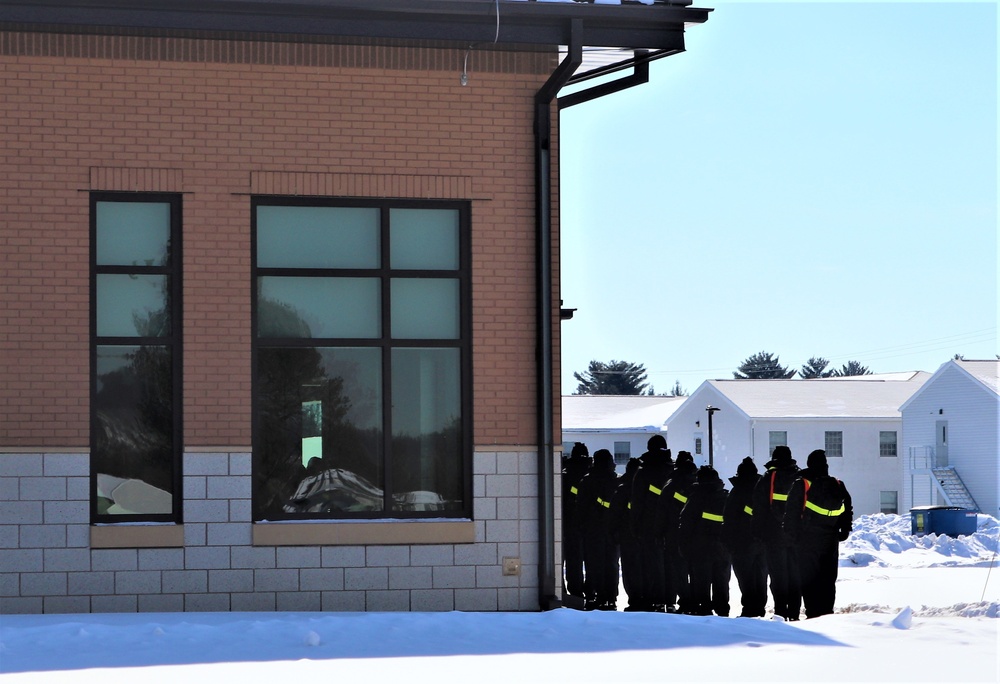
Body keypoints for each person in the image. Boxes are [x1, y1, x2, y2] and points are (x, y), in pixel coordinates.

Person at [784, 449, 853, 618]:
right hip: (830, 538)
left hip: (807, 539)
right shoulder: (837, 484)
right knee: (828, 578)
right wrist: (844, 530)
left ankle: (813, 614)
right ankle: (827, 613)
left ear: (809, 464)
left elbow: (791, 512)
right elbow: (847, 508)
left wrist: (790, 537)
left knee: (809, 578)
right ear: (826, 466)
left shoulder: (802, 484)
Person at [751, 445, 802, 620]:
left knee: (778, 575)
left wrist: (758, 533)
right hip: (796, 536)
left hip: (773, 536)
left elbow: (758, 508)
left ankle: (781, 611)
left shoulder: (768, 478)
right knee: (795, 574)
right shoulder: (800, 477)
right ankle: (795, 612)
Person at [678, 465, 731, 617]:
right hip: (722, 548)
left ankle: (703, 609)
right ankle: (722, 610)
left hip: (699, 549)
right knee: (721, 580)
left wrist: (684, 547)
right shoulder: (725, 497)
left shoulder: (696, 498)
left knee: (701, 581)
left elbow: (686, 523)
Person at [629, 434, 673, 611]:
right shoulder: (673, 469)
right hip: (671, 525)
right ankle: (670, 600)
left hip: (649, 525)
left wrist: (635, 527)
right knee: (670, 563)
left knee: (652, 564)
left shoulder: (643, 472)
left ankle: (655, 599)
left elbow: (637, 502)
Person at [576, 449, 621, 610]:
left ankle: (593, 594)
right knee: (611, 563)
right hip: (612, 530)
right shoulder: (615, 481)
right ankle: (610, 597)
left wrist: (583, 526)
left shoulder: (587, 481)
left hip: (592, 530)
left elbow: (580, 507)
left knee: (593, 563)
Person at [723, 456, 768, 618]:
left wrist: (728, 543)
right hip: (761, 542)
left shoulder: (737, 492)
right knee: (761, 576)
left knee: (746, 577)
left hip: (741, 544)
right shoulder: (763, 490)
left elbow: (728, 519)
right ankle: (760, 608)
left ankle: (750, 609)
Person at [661, 450, 697, 613]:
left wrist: (659, 533)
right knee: (695, 569)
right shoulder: (700, 485)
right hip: (696, 533)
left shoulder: (671, 485)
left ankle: (678, 600)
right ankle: (695, 600)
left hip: (674, 532)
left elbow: (662, 511)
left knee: (676, 568)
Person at [610, 457, 643, 611]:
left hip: (626, 534)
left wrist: (614, 531)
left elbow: (615, 512)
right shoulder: (645, 486)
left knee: (629, 568)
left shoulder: (621, 486)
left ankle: (634, 599)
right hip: (644, 534)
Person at [562, 442, 591, 603]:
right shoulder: (592, 473)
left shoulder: (566, 474)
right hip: (592, 525)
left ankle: (575, 592)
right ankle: (591, 591)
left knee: (573, 560)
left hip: (570, 524)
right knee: (593, 560)